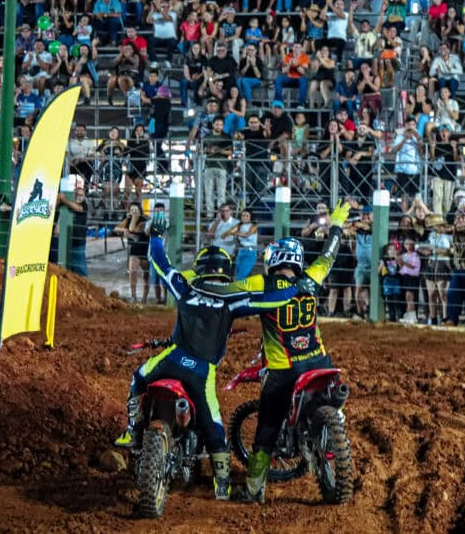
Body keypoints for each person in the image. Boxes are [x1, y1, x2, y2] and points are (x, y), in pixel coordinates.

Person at [115, 215, 249, 501]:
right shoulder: (231, 299)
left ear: (199, 269)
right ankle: (222, 484)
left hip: (172, 359)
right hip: (202, 371)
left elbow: (159, 263)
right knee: (213, 423)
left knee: (138, 377)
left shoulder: (185, 288)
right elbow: (265, 300)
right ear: (227, 272)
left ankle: (132, 430)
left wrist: (156, 235)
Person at [236, 202, 351, 504]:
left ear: (272, 260)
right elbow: (330, 253)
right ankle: (334, 431)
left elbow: (232, 292)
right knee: (332, 401)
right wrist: (336, 224)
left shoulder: (262, 283)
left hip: (284, 371)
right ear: (298, 261)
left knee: (266, 430)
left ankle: (253, 490)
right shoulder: (311, 278)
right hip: (319, 362)